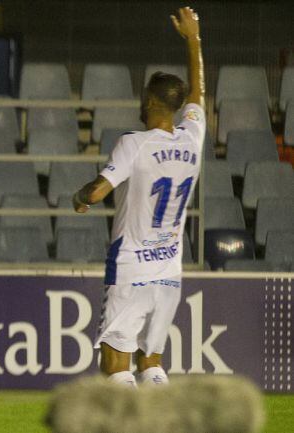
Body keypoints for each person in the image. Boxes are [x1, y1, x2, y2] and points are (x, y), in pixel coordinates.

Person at [71, 7, 205, 387]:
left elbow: (97, 192)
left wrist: (78, 197)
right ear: (177, 107)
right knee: (153, 363)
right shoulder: (193, 140)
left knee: (116, 365)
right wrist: (193, 40)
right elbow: (199, 93)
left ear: (149, 103)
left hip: (130, 267)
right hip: (169, 271)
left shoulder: (133, 144)